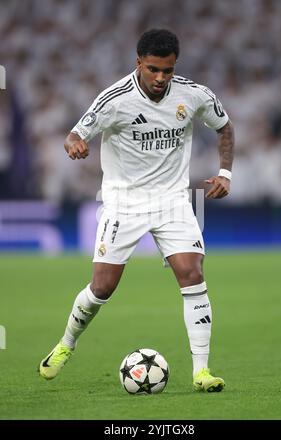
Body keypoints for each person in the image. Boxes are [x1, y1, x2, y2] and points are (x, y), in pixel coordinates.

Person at [39, 29, 234, 392]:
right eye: (154, 69)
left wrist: (225, 172)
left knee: (192, 273)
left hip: (172, 201)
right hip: (124, 202)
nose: (161, 78)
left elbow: (224, 127)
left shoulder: (194, 95)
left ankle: (202, 372)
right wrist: (76, 144)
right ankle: (66, 344)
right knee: (102, 287)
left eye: (168, 71)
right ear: (138, 63)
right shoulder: (114, 99)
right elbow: (73, 135)